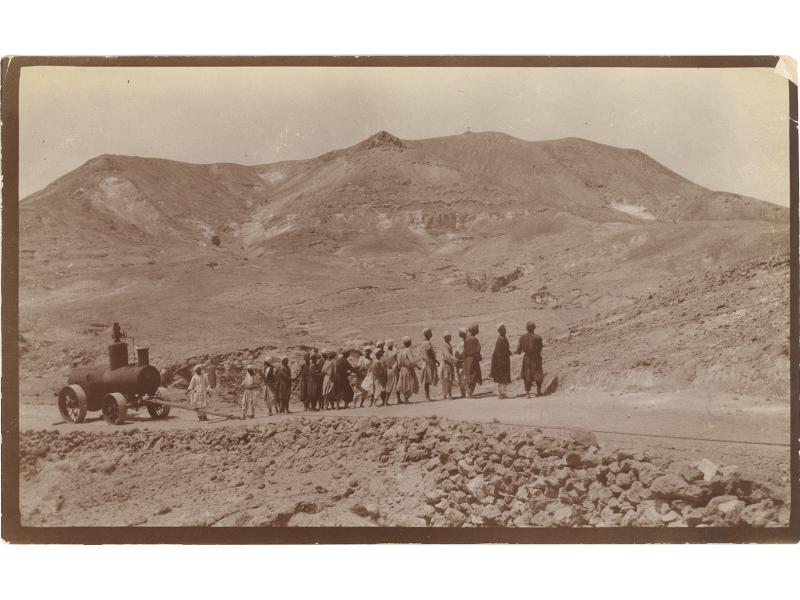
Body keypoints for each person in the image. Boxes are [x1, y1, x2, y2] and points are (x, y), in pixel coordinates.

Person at [516, 321, 545, 397]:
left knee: (527, 375)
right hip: (536, 358)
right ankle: (538, 391)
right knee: (538, 374)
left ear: (526, 328)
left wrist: (515, 352)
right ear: (534, 328)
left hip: (528, 358)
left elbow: (519, 350)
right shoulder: (538, 337)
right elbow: (540, 348)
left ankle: (527, 393)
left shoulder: (522, 337)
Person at [490, 323, 512, 398]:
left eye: (505, 329)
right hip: (501, 361)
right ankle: (501, 394)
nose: (505, 330)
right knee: (502, 378)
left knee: (502, 378)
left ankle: (502, 393)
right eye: (503, 329)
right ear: (500, 330)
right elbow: (503, 351)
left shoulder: (502, 338)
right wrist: (509, 353)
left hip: (503, 360)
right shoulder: (501, 339)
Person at [396, 336, 419, 403]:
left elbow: (399, 362)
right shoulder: (408, 350)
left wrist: (399, 368)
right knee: (411, 383)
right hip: (409, 369)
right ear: (409, 343)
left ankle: (405, 398)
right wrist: (417, 366)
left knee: (404, 383)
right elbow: (412, 361)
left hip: (403, 369)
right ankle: (406, 399)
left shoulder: (401, 351)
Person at [463, 323, 483, 398]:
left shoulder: (466, 338)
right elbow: (477, 349)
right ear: (474, 330)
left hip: (467, 360)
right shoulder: (474, 339)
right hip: (473, 360)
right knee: (473, 376)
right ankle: (469, 392)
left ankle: (468, 392)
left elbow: (464, 351)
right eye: (477, 329)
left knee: (468, 375)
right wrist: (479, 357)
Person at [419, 328, 439, 401]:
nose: (431, 334)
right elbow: (430, 353)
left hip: (426, 363)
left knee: (427, 380)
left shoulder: (423, 342)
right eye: (430, 332)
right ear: (427, 334)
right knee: (427, 381)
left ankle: (427, 396)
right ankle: (427, 397)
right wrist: (436, 360)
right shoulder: (427, 343)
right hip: (428, 363)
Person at [440, 331, 457, 400]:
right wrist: (455, 360)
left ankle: (448, 394)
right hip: (446, 364)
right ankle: (447, 395)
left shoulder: (448, 344)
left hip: (449, 364)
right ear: (445, 338)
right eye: (448, 336)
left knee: (450, 379)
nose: (450, 337)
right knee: (446, 380)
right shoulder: (444, 345)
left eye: (450, 336)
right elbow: (447, 355)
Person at [383, 339, 400, 405]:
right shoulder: (394, 353)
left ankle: (386, 401)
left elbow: (384, 363)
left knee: (389, 384)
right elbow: (397, 362)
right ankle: (386, 402)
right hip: (394, 370)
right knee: (395, 384)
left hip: (388, 370)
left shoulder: (385, 353)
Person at [454, 328, 467, 398]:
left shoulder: (462, 343)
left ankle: (464, 392)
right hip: (461, 363)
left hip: (463, 362)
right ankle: (463, 392)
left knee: (463, 378)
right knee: (462, 378)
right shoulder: (461, 344)